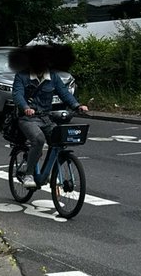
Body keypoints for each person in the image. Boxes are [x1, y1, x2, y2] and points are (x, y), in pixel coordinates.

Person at [11, 49, 87, 188]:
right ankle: (29, 174)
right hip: (27, 118)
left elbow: (64, 93)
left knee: (60, 139)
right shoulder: (22, 76)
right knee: (38, 139)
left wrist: (77, 106)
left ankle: (49, 172)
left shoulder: (53, 77)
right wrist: (25, 107)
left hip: (46, 117)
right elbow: (17, 95)